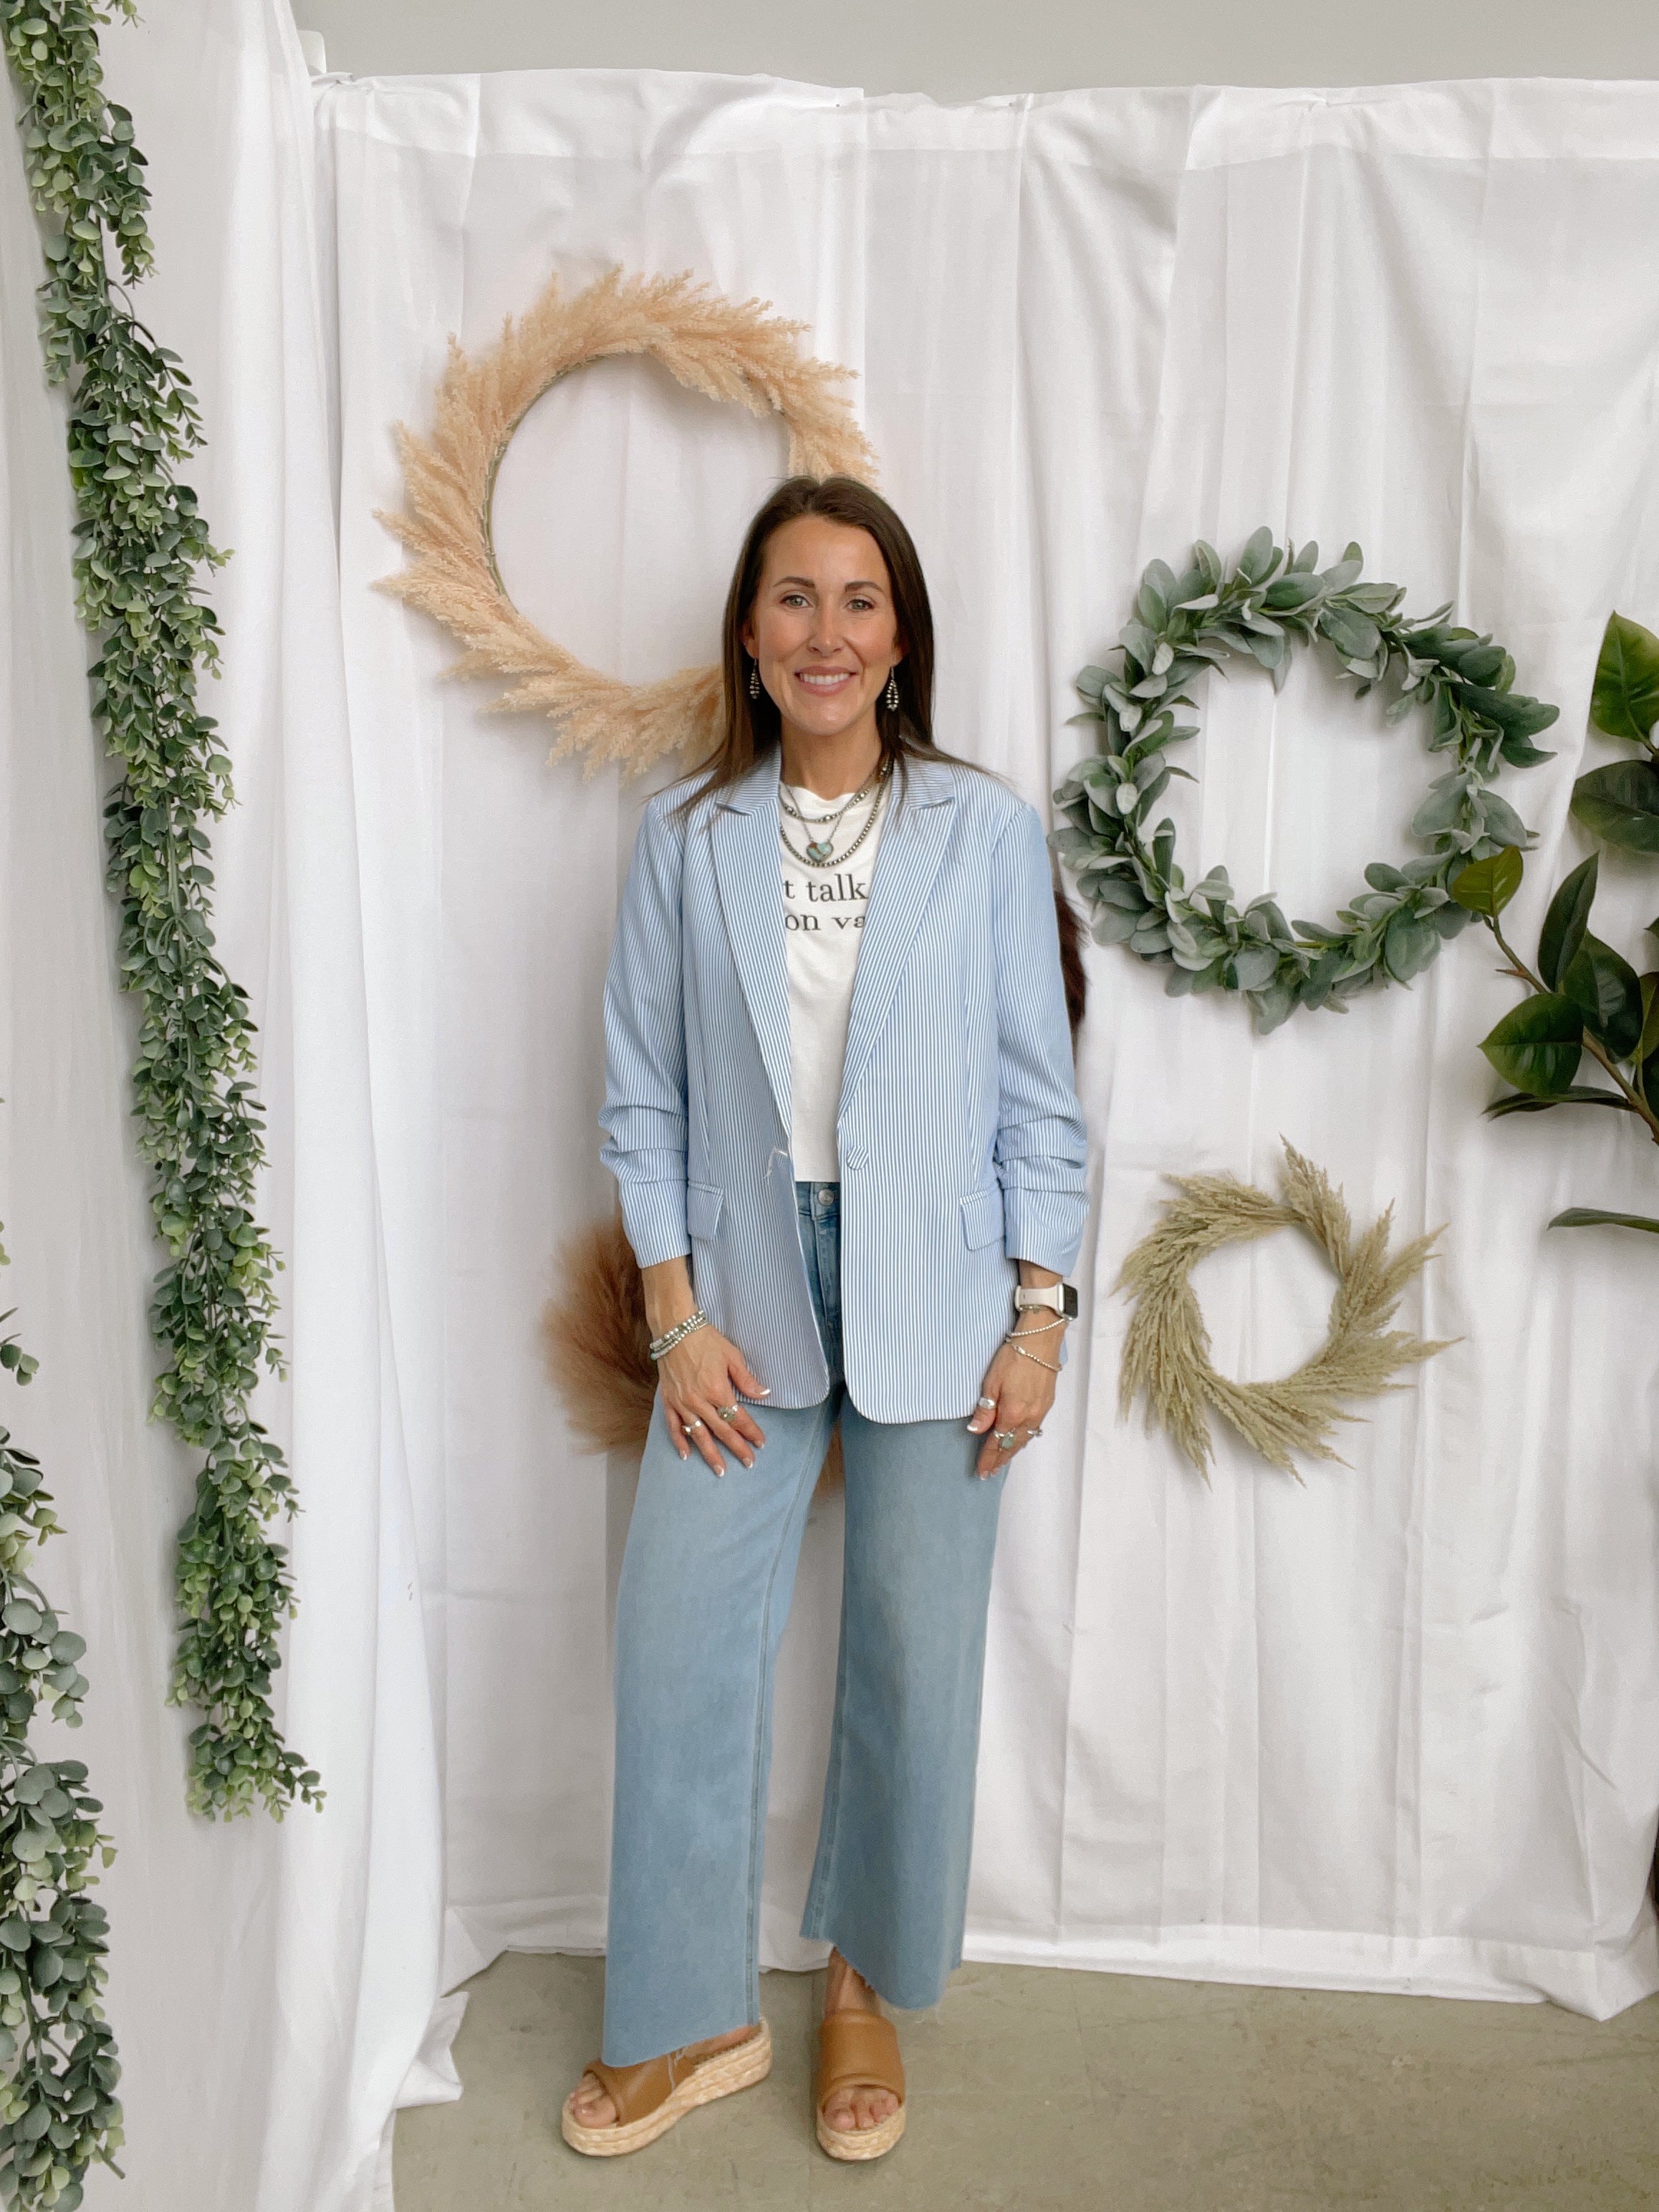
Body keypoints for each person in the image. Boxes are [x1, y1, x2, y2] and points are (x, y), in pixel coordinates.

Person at [562, 475, 1088, 2163]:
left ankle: (861, 1980)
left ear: (902, 634)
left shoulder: (987, 835)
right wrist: (674, 1309)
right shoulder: (684, 839)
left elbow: (1037, 1097)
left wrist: (1041, 1314)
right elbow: (642, 1094)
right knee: (678, 1644)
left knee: (914, 1662)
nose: (827, 631)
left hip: (943, 1290)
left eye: (859, 600)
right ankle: (685, 2010)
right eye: (794, 597)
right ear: (749, 629)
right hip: (743, 1293)